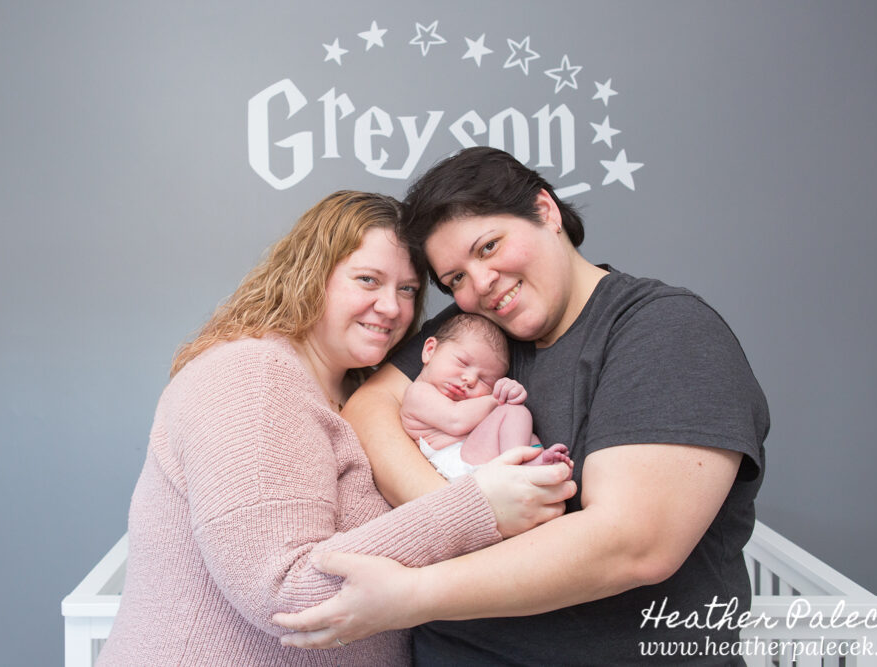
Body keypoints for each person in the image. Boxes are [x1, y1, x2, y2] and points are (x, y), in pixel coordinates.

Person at [273, 149, 770, 666]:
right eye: (455, 279)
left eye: (489, 246)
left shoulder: (663, 331)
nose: (480, 284)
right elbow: (371, 404)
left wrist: (414, 594)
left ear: (545, 211)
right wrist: (463, 510)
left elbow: (634, 544)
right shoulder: (480, 333)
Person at [97, 190, 575, 666]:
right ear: (310, 274)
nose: (391, 308)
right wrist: (478, 507)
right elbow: (284, 593)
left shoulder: (357, 392)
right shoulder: (251, 377)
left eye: (407, 290)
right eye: (368, 280)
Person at [402, 312, 571, 479]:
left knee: (522, 430)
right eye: (462, 363)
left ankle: (538, 463)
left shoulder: (472, 405)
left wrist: (508, 392)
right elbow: (456, 420)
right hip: (454, 465)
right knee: (515, 412)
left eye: (484, 381)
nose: (470, 379)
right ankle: (519, 466)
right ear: (430, 350)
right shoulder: (418, 392)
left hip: (475, 460)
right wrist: (498, 399)